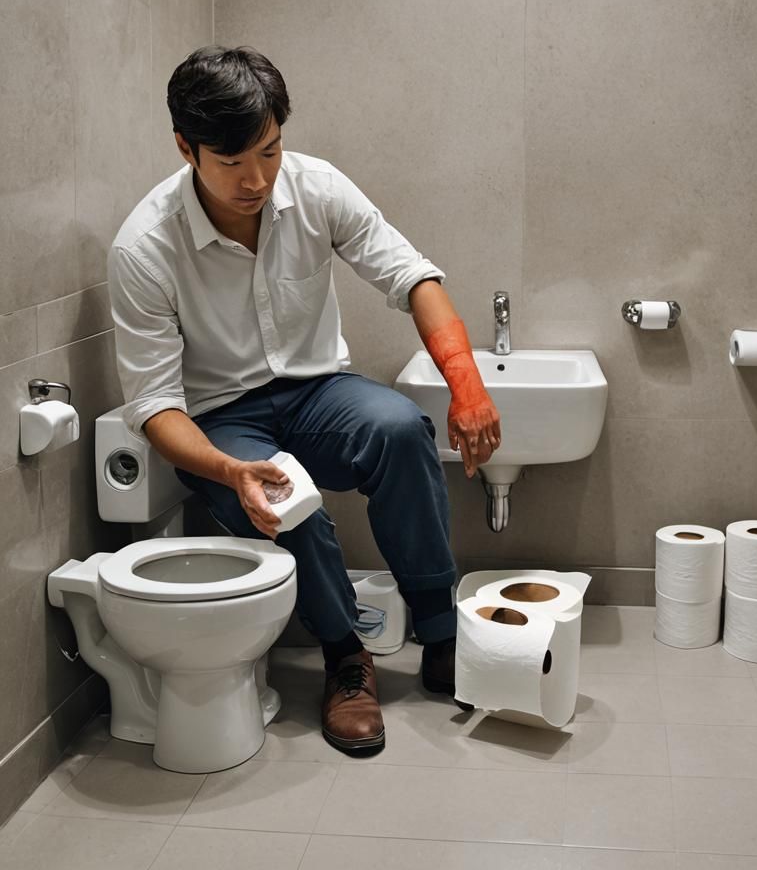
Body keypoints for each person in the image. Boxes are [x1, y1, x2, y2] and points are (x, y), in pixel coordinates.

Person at [107, 44, 501, 757]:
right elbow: (156, 405)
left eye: (270, 150)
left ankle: (442, 634)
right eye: (232, 161)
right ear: (185, 148)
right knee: (289, 504)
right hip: (220, 417)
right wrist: (229, 470)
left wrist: (467, 385)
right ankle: (346, 658)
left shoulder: (316, 188)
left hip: (319, 391)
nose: (257, 179)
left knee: (400, 428)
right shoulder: (144, 248)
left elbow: (412, 278)